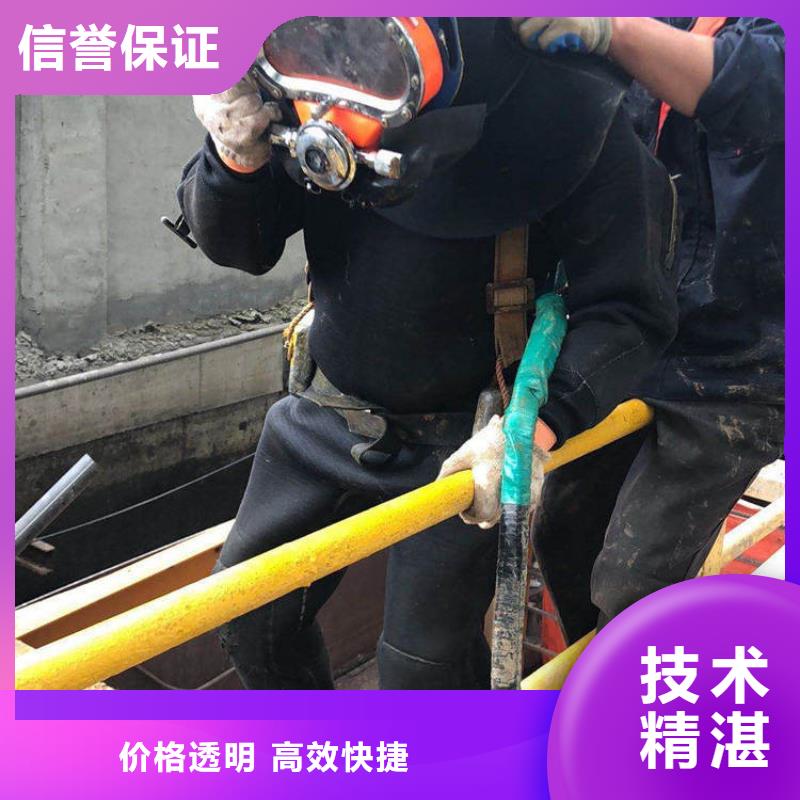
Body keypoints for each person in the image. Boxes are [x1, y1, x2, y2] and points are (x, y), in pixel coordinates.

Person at [178, 17, 678, 689]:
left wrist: (537, 427)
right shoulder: (310, 82)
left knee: (423, 672)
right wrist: (233, 160)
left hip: (468, 443)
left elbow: (630, 311)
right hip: (324, 407)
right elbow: (243, 246)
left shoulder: (571, 117)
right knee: (246, 617)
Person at [511, 17, 785, 641]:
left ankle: (646, 682)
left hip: (739, 366)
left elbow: (751, 85)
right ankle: (601, 678)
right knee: (562, 535)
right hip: (640, 344)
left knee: (634, 584)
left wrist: (611, 30)